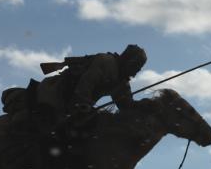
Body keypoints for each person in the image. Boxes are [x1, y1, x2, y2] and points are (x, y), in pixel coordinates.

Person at [10, 44, 147, 137]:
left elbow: (126, 105)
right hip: (58, 95)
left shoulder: (121, 81)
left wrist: (143, 107)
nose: (137, 70)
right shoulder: (106, 62)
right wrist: (83, 106)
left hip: (78, 107)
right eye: (136, 66)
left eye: (139, 67)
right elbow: (85, 85)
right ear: (128, 61)